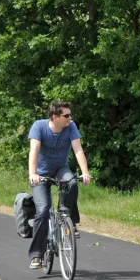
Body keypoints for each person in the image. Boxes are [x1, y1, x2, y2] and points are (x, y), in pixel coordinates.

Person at [28, 101, 91, 269]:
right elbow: (34, 150)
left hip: (60, 169)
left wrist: (85, 172)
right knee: (42, 210)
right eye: (66, 116)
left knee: (71, 182)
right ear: (55, 117)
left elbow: (78, 149)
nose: (70, 118)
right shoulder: (39, 127)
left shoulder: (70, 127)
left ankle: (70, 219)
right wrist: (33, 174)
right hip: (40, 174)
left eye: (70, 115)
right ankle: (37, 255)